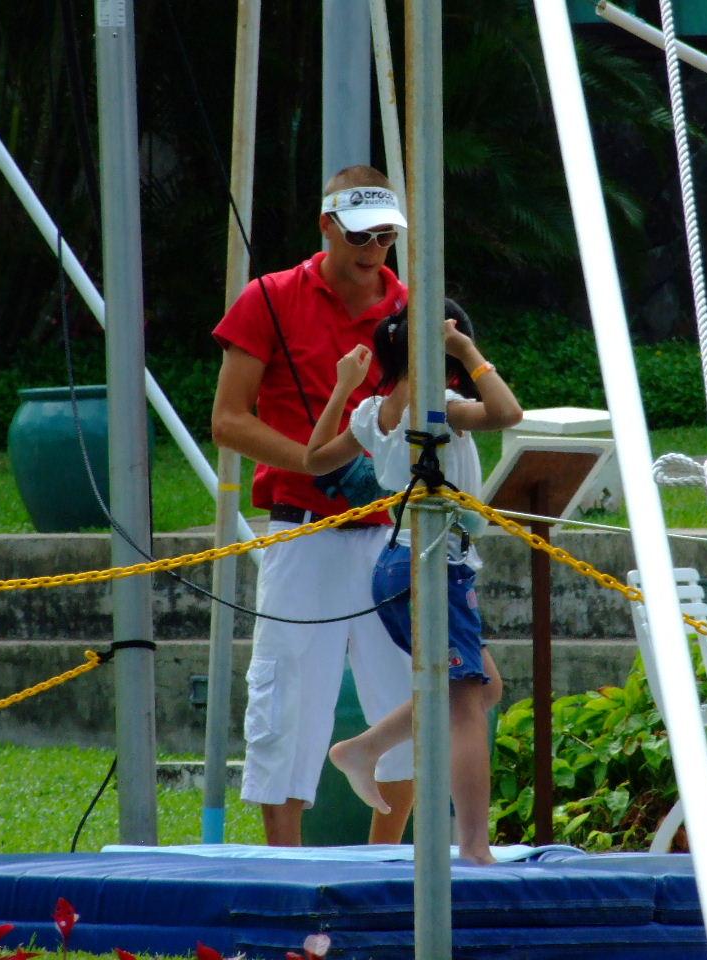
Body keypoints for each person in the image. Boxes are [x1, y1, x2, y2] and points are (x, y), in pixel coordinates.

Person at [210, 165, 415, 846]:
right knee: (286, 698)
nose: (373, 249)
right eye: (360, 236)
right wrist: (311, 461)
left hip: (393, 531)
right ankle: (286, 869)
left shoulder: (412, 307)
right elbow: (228, 420)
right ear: (327, 225)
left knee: (410, 694)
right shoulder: (269, 298)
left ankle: (389, 869)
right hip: (301, 530)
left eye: (385, 236)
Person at [302, 304, 523, 864]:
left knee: (483, 689)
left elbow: (315, 459)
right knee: (466, 705)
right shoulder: (439, 408)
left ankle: (363, 748)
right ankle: (474, 847)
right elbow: (507, 412)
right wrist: (466, 350)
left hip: (401, 565)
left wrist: (343, 387)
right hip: (430, 566)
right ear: (440, 353)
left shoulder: (373, 412)